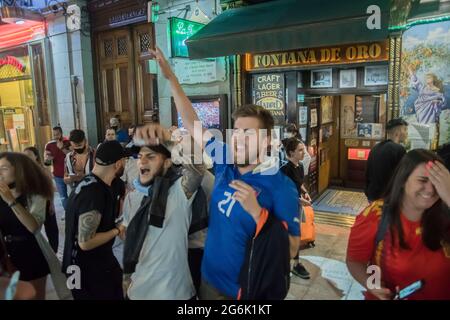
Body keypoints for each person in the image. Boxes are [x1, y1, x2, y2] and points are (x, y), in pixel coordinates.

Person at [136, 47, 300, 300]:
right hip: (208, 280)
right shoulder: (226, 162)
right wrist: (171, 78)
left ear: (267, 140)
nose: (238, 138)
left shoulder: (281, 187)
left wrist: (259, 214)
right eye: (236, 130)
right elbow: (192, 124)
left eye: (248, 133)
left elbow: (290, 249)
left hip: (244, 291)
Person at [347, 149, 450, 300]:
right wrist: (374, 285)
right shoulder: (376, 215)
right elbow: (355, 261)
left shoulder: (445, 213)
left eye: (436, 182)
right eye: (422, 180)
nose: (430, 189)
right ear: (403, 180)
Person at [121, 124, 207, 300]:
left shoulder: (179, 191)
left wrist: (170, 142)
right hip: (137, 293)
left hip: (175, 293)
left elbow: (197, 168)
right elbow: (131, 239)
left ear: (167, 162)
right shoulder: (133, 197)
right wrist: (127, 278)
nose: (142, 161)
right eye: (140, 156)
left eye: (151, 157)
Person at [62, 141, 126, 300]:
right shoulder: (93, 193)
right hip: (83, 269)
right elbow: (86, 242)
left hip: (93, 263)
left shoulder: (95, 182)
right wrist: (117, 230)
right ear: (118, 164)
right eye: (125, 161)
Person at [0, 152, 54, 299]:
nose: (0, 173)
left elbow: (33, 227)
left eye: (4, 168)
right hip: (7, 257)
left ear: (19, 169)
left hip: (30, 254)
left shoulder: (35, 194)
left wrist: (11, 201)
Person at [280, 138, 311, 280]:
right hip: (286, 209)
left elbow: (300, 183)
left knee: (295, 234)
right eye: (300, 150)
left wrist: (305, 192)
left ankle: (295, 264)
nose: (303, 152)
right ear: (291, 152)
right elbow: (282, 194)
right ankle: (289, 265)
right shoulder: (284, 170)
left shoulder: (300, 166)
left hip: (296, 206)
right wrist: (299, 200)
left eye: (303, 149)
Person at [23, 147, 59, 253]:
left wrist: (51, 203)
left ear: (36, 156)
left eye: (29, 155)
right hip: (32, 204)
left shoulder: (43, 169)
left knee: (52, 229)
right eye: (25, 155)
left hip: (46, 202)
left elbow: (50, 188)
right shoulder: (23, 171)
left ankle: (54, 251)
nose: (27, 157)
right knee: (34, 229)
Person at [365, 118, 408, 202]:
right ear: (398, 132)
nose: (407, 133)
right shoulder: (399, 149)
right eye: (405, 130)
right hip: (388, 197)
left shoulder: (376, 147)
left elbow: (367, 172)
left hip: (372, 194)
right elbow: (402, 176)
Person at [44, 126, 71, 210]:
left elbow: (72, 154)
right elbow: (46, 162)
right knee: (63, 196)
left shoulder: (68, 142)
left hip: (70, 174)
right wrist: (48, 159)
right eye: (54, 134)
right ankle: (68, 213)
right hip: (58, 175)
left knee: (75, 194)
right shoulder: (49, 144)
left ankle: (74, 212)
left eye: (57, 134)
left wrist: (62, 148)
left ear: (61, 133)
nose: (56, 136)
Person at [64, 129, 96, 196]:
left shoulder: (95, 155)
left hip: (93, 194)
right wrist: (71, 179)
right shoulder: (69, 157)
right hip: (76, 196)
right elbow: (65, 179)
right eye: (75, 146)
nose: (78, 148)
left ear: (85, 140)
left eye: (80, 145)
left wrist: (85, 177)